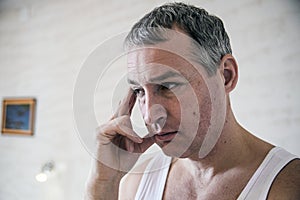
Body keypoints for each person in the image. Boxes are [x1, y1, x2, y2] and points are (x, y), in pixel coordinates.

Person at [85, 2, 300, 200]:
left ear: (226, 76)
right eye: (139, 91)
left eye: (167, 86)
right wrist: (104, 183)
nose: (150, 115)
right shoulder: (135, 186)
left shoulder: (288, 186)